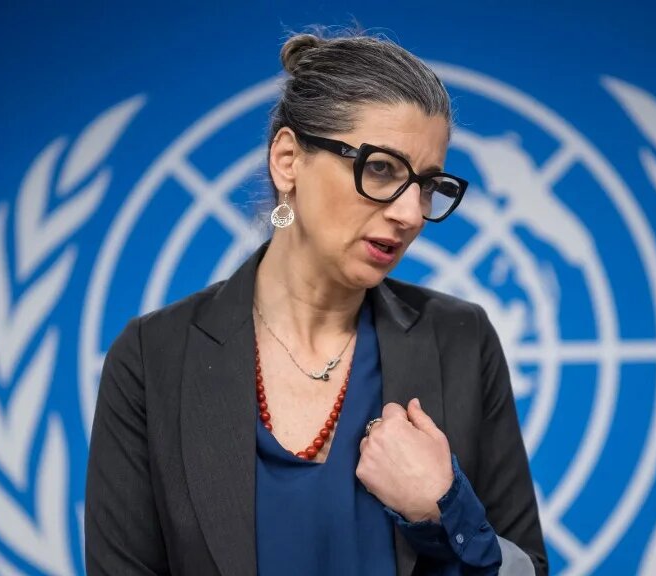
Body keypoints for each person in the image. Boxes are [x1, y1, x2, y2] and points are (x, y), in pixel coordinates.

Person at [85, 30, 547, 576]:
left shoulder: (462, 339)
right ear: (287, 161)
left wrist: (445, 510)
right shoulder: (152, 356)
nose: (410, 214)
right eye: (381, 169)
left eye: (427, 185)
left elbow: (527, 569)